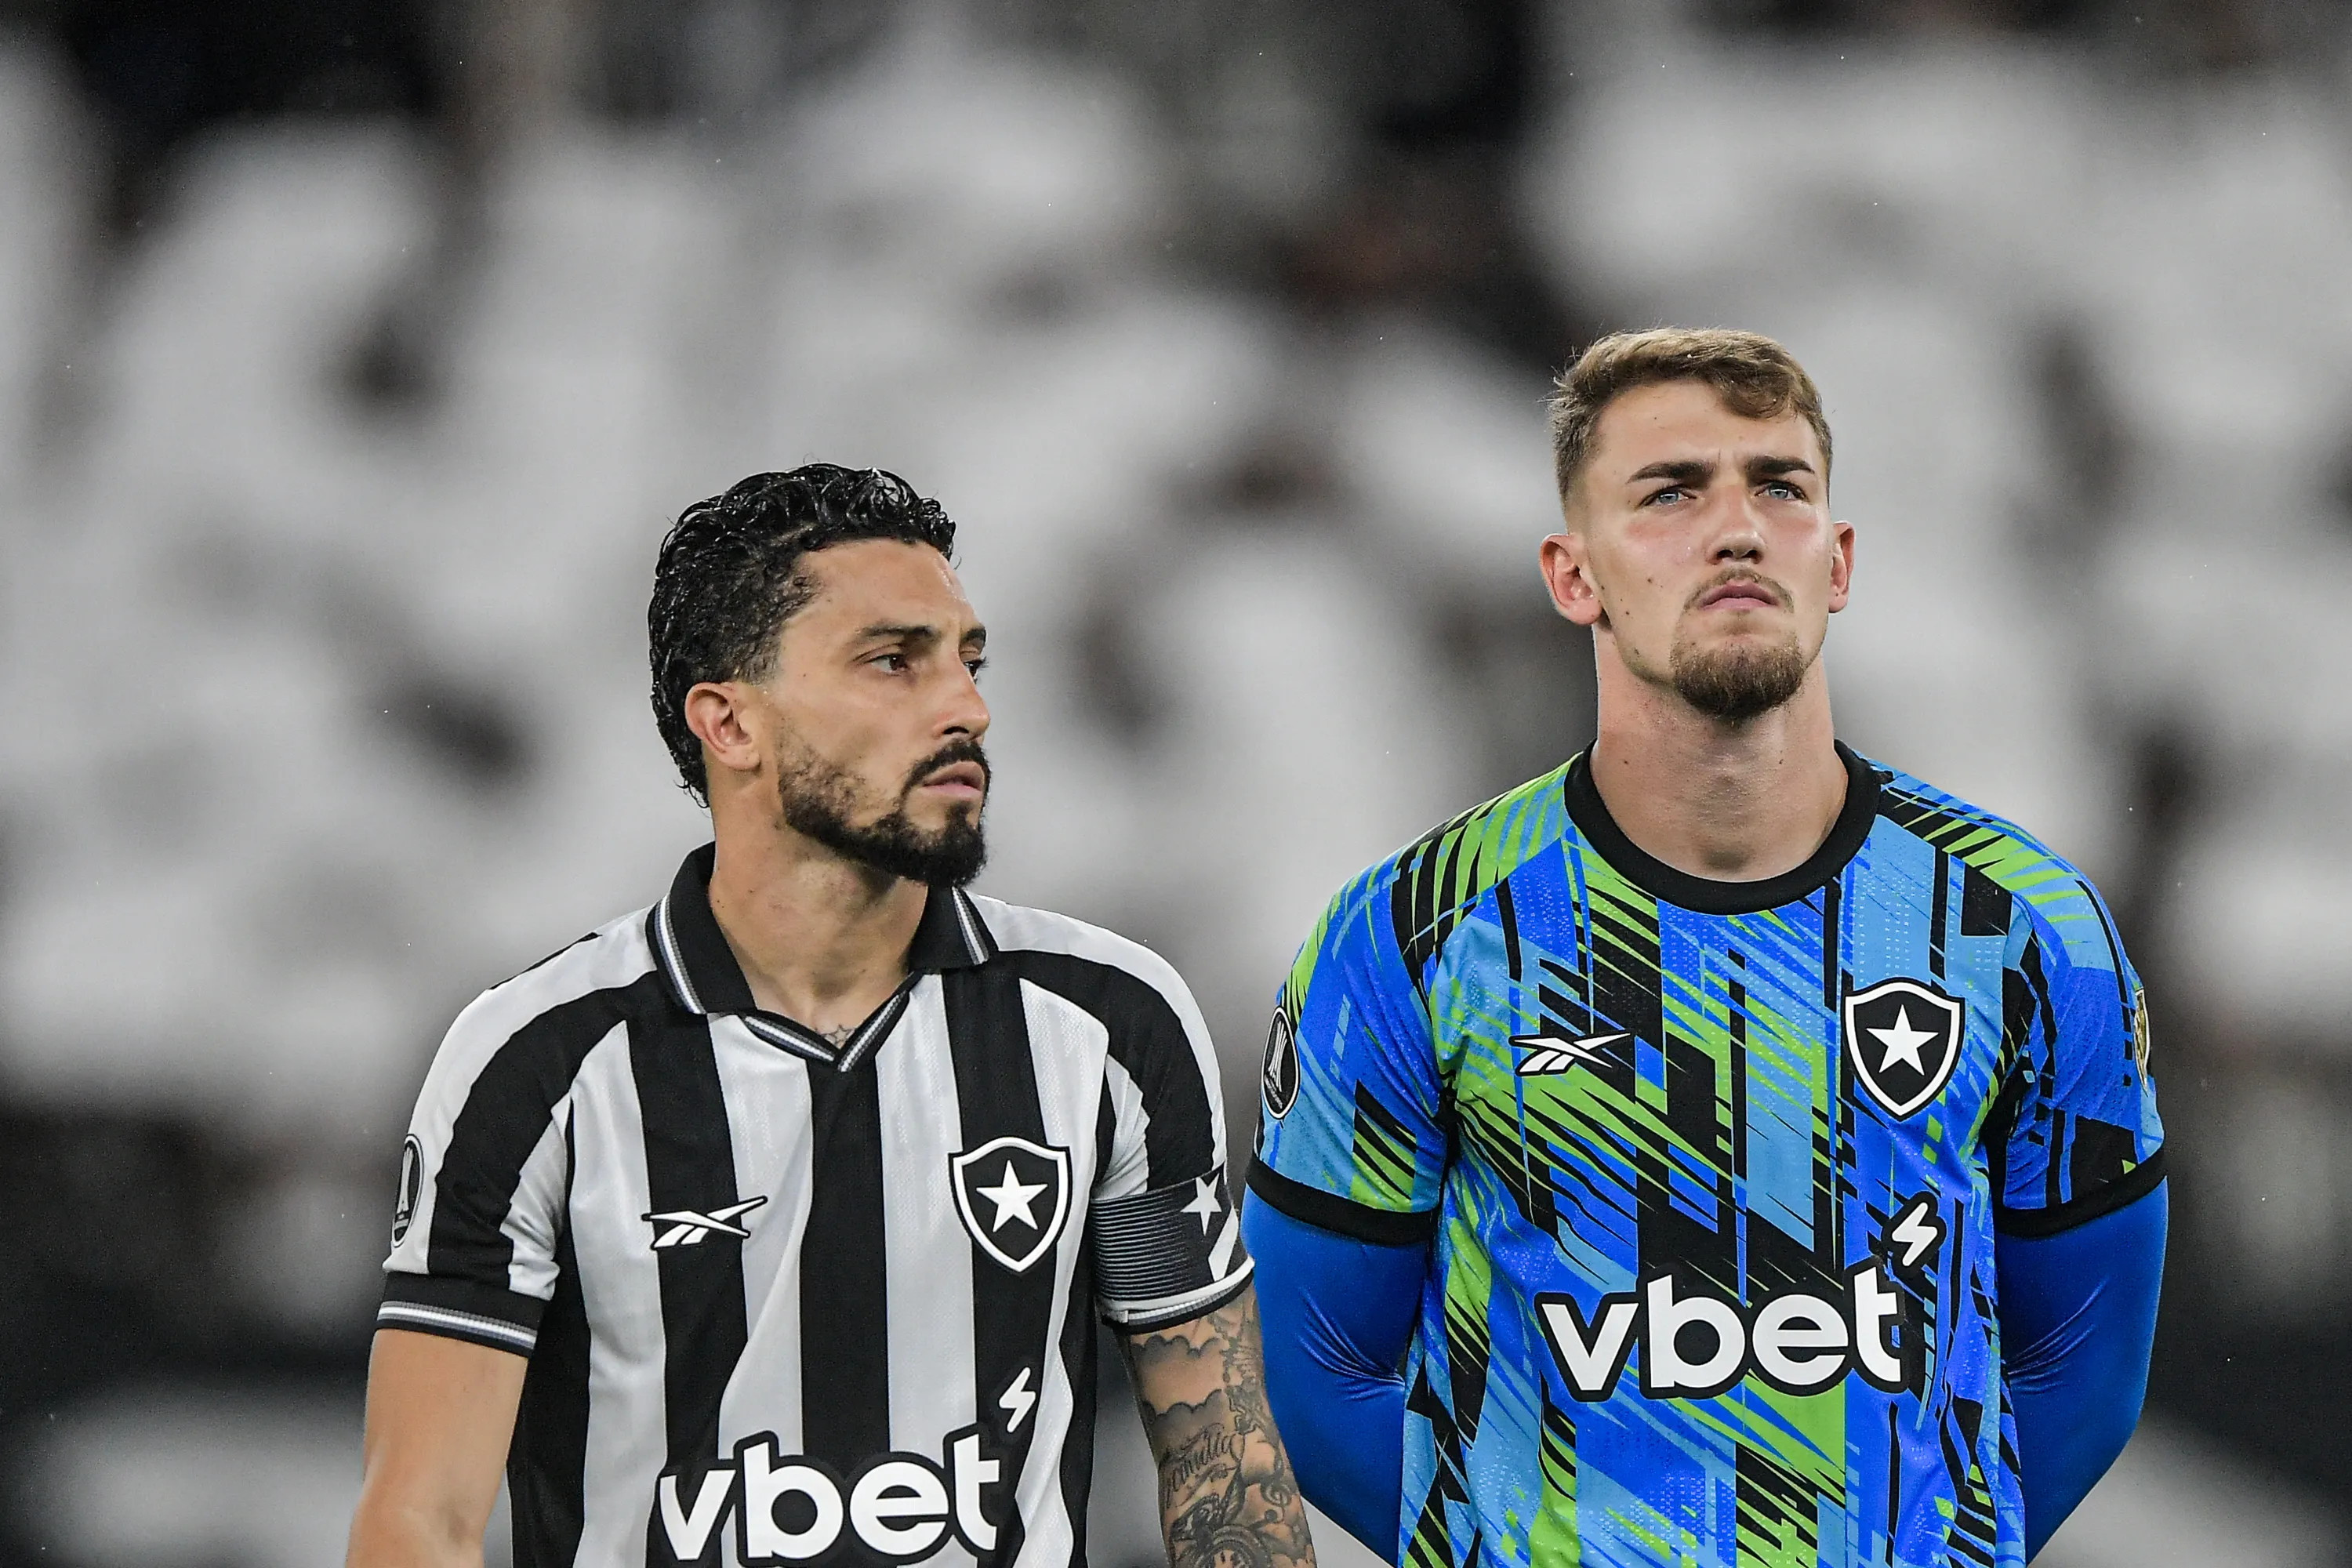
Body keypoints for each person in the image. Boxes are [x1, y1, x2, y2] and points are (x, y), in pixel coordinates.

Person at [1241, 329, 2165, 1568]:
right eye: (1672, 493)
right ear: (1574, 576)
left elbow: (2082, 1369)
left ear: (1837, 563)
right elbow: (1316, 1375)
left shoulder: (2025, 927)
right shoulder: (1415, 933)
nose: (1736, 529)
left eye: (1778, 487)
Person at [347, 465, 1315, 1568]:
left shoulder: (1110, 1025)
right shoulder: (538, 1062)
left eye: (968, 659)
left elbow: (1223, 1471)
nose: (967, 707)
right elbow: (418, 1519)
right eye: (893, 662)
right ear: (730, 723)